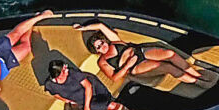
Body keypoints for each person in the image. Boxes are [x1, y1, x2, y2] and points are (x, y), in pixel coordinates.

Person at [74, 21, 202, 84]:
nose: (102, 47)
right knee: (168, 67)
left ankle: (198, 75)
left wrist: (83, 28)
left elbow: (101, 26)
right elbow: (114, 78)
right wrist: (127, 65)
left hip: (140, 52)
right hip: (135, 66)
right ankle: (197, 82)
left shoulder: (114, 41)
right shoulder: (102, 61)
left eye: (102, 43)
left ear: (104, 40)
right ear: (96, 51)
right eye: (98, 47)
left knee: (169, 54)